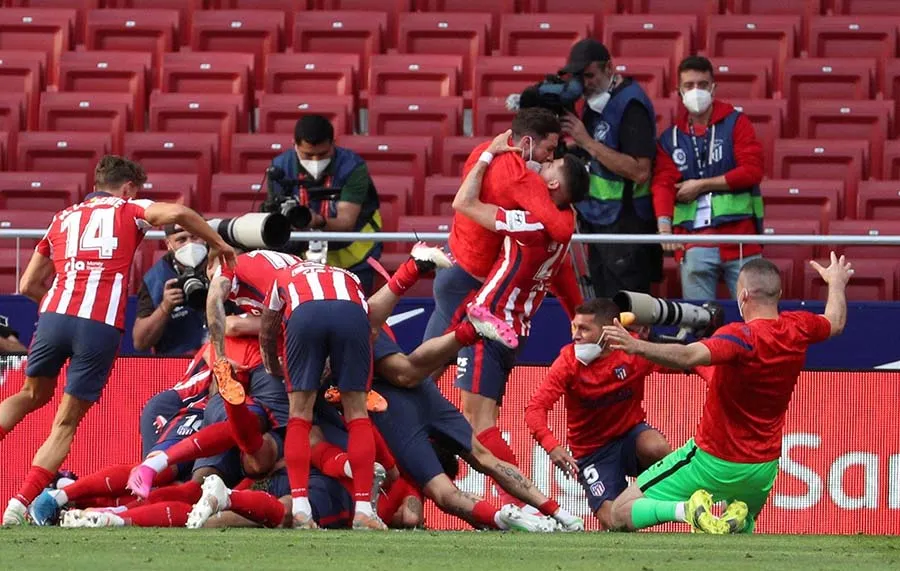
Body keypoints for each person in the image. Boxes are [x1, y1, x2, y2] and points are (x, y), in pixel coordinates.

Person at [0, 155, 236, 525]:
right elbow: (180, 212)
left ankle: (21, 501)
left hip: (54, 316)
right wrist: (219, 242)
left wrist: (56, 308)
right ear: (127, 187)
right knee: (64, 422)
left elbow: (28, 284)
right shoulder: (130, 208)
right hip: (98, 325)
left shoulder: (62, 218)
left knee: (32, 394)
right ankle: (18, 504)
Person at [600, 255, 851, 533]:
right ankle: (738, 516)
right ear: (778, 294)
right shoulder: (799, 327)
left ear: (742, 295)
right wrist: (836, 282)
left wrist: (634, 345)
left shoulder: (741, 336)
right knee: (736, 537)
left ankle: (686, 510)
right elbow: (835, 321)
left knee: (619, 513)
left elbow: (687, 355)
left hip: (713, 460)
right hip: (762, 469)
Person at [448, 131, 590, 507]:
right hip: (517, 328)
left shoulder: (531, 224)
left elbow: (463, 202)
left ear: (555, 183)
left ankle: (528, 505)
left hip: (489, 321)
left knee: (479, 427)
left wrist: (487, 157)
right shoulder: (565, 224)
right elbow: (564, 280)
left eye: (550, 165)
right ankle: (523, 504)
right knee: (483, 420)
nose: (542, 165)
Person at [423, 107, 584, 351]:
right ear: (527, 143)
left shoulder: (486, 149)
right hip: (468, 280)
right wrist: (570, 212)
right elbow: (561, 230)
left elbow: (560, 265)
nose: (549, 158)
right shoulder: (523, 180)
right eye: (549, 150)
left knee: (434, 356)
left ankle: (403, 386)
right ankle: (399, 387)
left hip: (455, 265)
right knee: (434, 362)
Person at [524, 299, 671, 529]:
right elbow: (535, 408)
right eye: (574, 327)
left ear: (608, 332)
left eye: (584, 329)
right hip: (592, 453)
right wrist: (552, 445)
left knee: (657, 448)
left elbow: (686, 361)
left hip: (629, 437)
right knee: (613, 521)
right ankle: (640, 511)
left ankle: (678, 504)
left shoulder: (634, 352)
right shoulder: (568, 362)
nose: (575, 335)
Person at [652, 55, 765, 300]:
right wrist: (664, 229)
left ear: (713, 88)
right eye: (689, 86)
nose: (696, 91)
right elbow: (662, 184)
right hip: (695, 242)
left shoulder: (737, 123)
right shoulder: (671, 138)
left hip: (741, 239)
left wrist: (701, 185)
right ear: (679, 92)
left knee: (755, 318)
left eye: (702, 85)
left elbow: (752, 171)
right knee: (699, 320)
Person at [559, 38, 661, 297]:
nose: (585, 83)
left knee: (626, 309)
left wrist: (586, 142)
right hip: (599, 219)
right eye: (580, 77)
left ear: (609, 68)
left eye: (590, 75)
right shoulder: (595, 102)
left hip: (626, 224)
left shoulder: (631, 104)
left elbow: (640, 171)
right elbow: (597, 151)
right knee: (602, 306)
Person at [266, 114, 382, 294]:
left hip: (354, 255)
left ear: (332, 143)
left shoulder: (353, 167)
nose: (315, 161)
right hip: (303, 258)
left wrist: (316, 221)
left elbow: (346, 222)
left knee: (354, 316)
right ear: (294, 145)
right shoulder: (280, 168)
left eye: (322, 154)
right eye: (308, 154)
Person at [132, 224, 209, 355]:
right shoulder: (155, 279)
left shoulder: (224, 266)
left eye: (195, 237)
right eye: (181, 239)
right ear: (168, 244)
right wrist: (165, 307)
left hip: (222, 360)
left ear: (206, 237)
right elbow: (140, 343)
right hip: (178, 362)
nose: (189, 245)